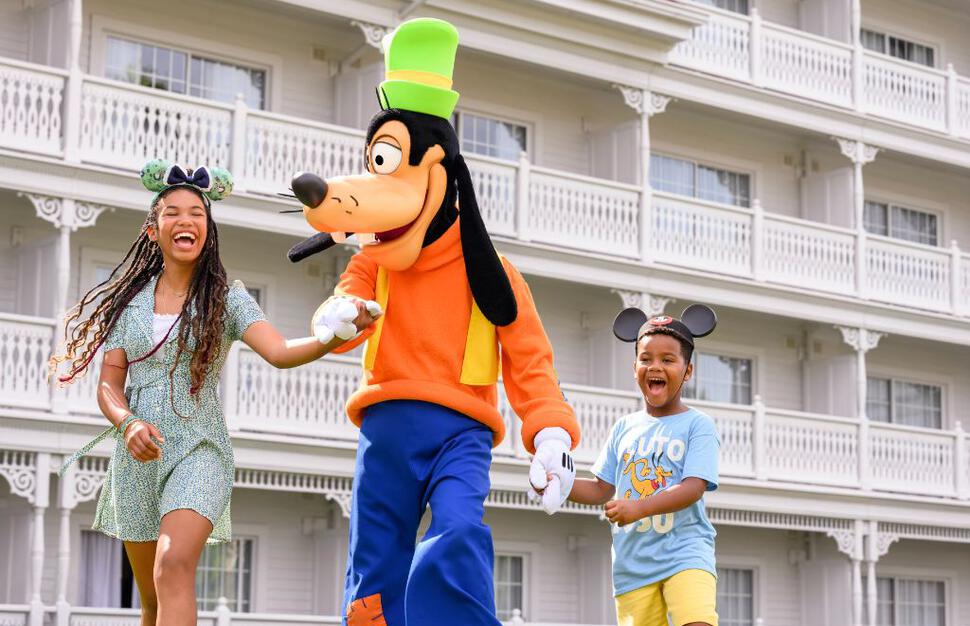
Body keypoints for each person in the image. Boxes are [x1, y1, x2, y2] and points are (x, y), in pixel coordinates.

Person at [51, 160, 379, 626]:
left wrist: (334, 337)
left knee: (173, 566)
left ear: (208, 230)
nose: (186, 220)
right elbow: (109, 384)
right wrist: (127, 423)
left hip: (199, 450)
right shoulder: (129, 304)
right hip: (138, 458)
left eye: (197, 213)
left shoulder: (227, 298)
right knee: (151, 601)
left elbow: (281, 351)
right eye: (172, 212)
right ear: (153, 229)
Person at [565, 305, 721, 626]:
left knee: (697, 620)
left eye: (668, 360)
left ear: (687, 371)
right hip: (633, 564)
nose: (655, 366)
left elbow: (693, 488)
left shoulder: (697, 425)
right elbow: (600, 488)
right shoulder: (624, 427)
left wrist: (639, 507)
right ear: (634, 366)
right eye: (646, 358)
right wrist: (558, 484)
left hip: (686, 552)